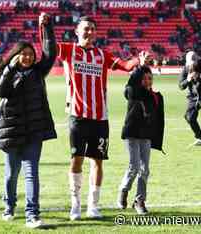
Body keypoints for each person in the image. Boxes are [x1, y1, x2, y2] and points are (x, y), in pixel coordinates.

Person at [56, 15, 148, 220]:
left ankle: (93, 205)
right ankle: (75, 204)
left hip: (100, 117)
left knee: (98, 161)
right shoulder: (69, 50)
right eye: (85, 28)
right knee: (77, 159)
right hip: (78, 116)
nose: (89, 32)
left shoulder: (102, 54)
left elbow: (125, 66)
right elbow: (47, 47)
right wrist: (43, 26)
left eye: (92, 29)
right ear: (77, 31)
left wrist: (138, 62)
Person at [0, 13, 56, 229]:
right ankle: (9, 206)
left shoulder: (38, 72)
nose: (28, 57)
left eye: (30, 54)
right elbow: (1, 92)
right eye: (23, 54)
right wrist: (10, 68)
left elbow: (50, 52)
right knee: (11, 174)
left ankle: (32, 214)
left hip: (34, 133)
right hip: (12, 132)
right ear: (16, 56)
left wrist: (46, 27)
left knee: (31, 173)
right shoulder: (8, 73)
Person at [117, 64, 165, 215]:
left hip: (146, 137)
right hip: (132, 134)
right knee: (134, 167)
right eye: (144, 78)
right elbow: (129, 86)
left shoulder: (157, 96)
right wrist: (139, 68)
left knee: (145, 170)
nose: (147, 80)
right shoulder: (134, 92)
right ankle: (124, 190)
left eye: (150, 78)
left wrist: (156, 138)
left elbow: (158, 119)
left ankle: (139, 201)